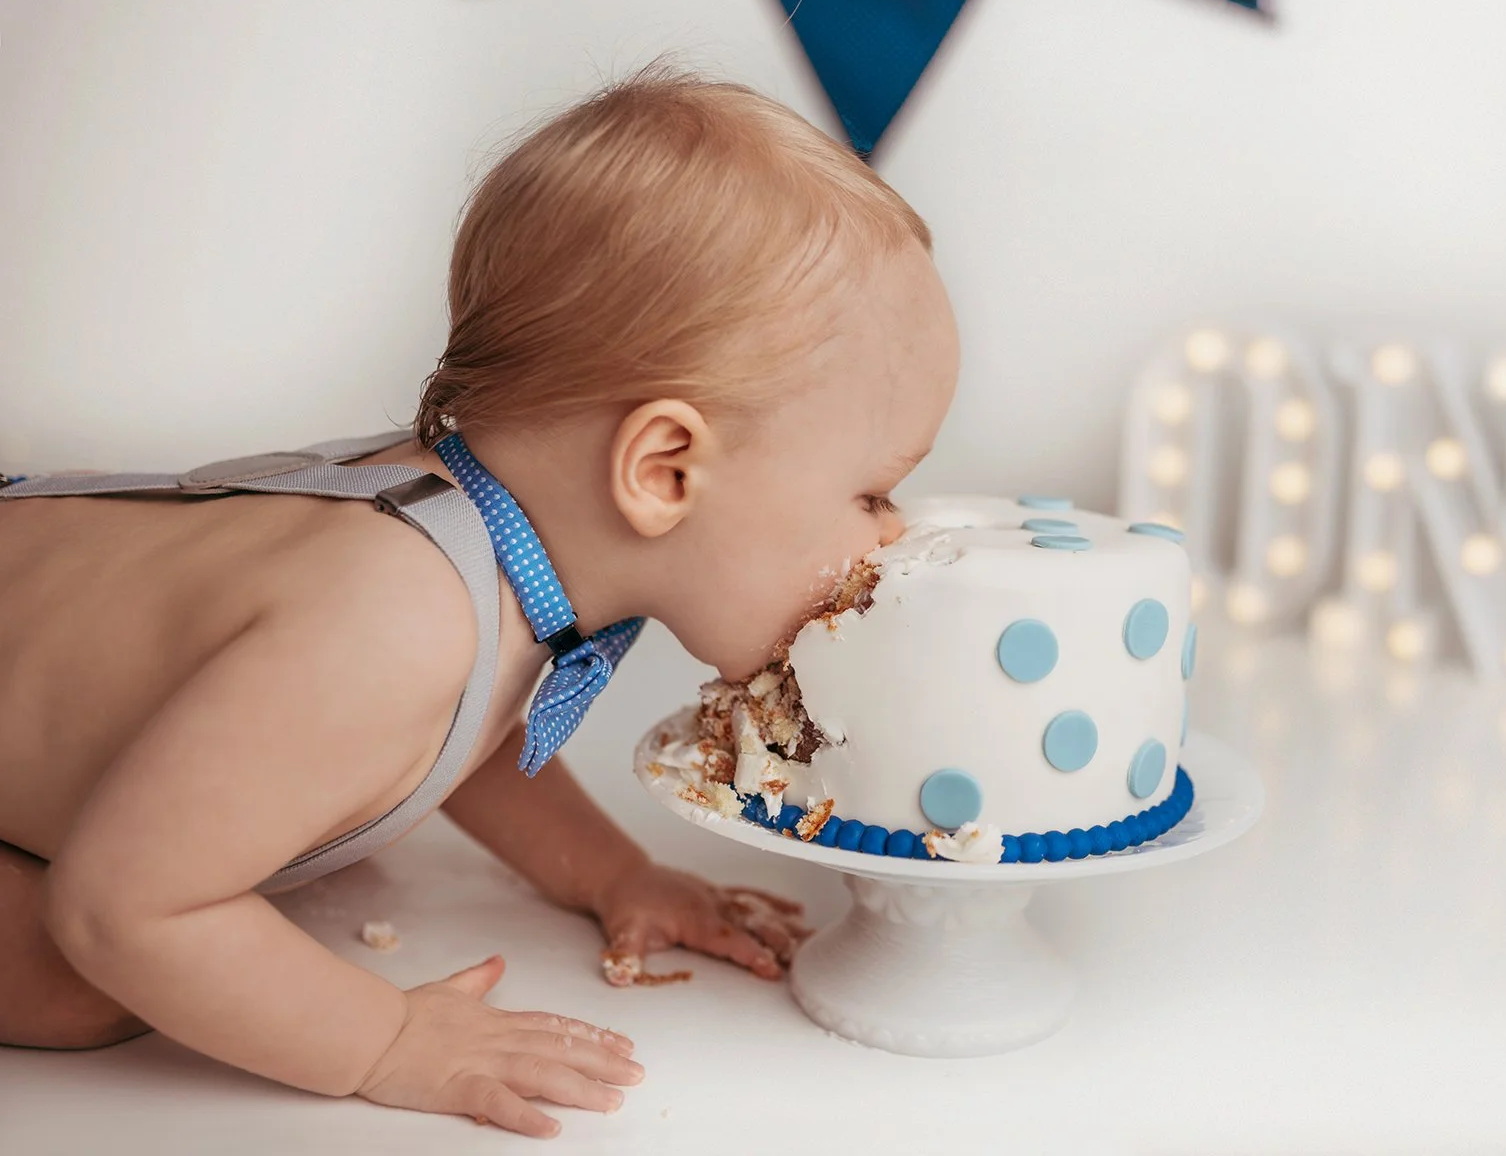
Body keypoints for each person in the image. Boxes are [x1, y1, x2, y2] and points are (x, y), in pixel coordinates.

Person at [0, 66, 960, 1139]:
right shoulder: (387, 619)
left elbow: (470, 734)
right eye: (872, 491)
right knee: (83, 977)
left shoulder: (483, 567)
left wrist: (614, 874)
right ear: (665, 469)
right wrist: (385, 1040)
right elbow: (119, 905)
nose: (894, 533)